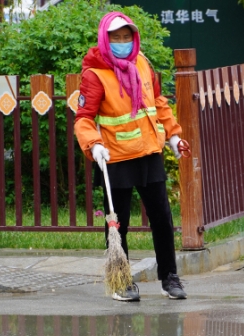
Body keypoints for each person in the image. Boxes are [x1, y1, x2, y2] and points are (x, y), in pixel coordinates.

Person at [74, 11, 187, 302]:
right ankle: (121, 282)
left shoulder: (142, 63)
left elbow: (158, 104)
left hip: (149, 151)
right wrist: (93, 145)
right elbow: (84, 118)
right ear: (105, 39)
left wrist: (173, 136)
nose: (123, 42)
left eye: (127, 37)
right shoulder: (95, 74)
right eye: (116, 38)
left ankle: (169, 277)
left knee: (162, 217)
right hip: (115, 157)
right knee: (118, 222)